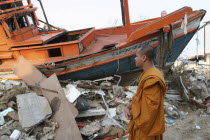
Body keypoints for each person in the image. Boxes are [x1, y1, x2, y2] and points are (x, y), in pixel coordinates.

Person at [124, 45, 166, 140]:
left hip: (146, 127)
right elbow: (139, 97)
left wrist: (132, 111)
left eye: (136, 56)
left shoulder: (153, 79)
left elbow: (150, 109)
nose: (135, 59)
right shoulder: (147, 74)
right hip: (140, 121)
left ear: (143, 58)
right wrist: (127, 107)